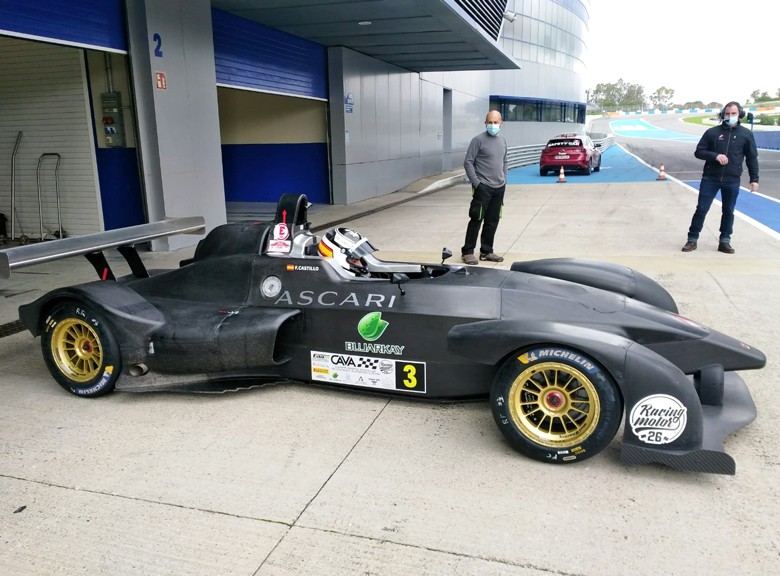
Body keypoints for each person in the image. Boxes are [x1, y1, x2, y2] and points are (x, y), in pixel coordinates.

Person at [682, 101, 759, 254]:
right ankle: (692, 239)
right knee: (701, 209)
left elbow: (752, 158)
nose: (730, 116)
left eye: (733, 114)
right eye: (727, 114)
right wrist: (715, 156)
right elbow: (699, 152)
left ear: (740, 115)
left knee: (728, 211)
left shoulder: (746, 135)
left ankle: (724, 241)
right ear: (723, 114)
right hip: (710, 178)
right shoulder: (712, 132)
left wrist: (754, 179)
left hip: (732, 180)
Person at [461, 110, 508, 265]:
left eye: (496, 122)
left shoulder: (502, 140)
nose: (493, 125)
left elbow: (504, 161)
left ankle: (486, 251)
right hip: (483, 187)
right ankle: (467, 252)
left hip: (499, 188)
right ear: (485, 123)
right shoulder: (478, 140)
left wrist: (504, 179)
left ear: (501, 123)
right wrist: (477, 183)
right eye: (490, 122)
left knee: (492, 221)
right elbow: (468, 162)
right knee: (476, 219)